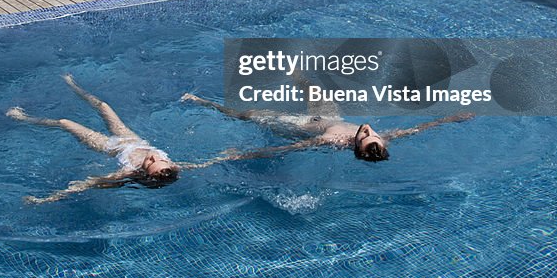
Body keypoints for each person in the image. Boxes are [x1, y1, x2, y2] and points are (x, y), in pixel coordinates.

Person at [7, 74, 187, 204]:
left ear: (144, 172)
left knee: (65, 122)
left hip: (108, 145)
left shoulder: (128, 172)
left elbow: (87, 184)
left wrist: (46, 199)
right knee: (103, 105)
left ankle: (22, 118)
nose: (155, 156)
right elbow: (200, 164)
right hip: (130, 137)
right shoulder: (171, 168)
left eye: (150, 162)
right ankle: (72, 84)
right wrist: (217, 157)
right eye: (161, 159)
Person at [181, 88, 474, 163]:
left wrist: (243, 155)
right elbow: (418, 129)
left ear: (355, 145)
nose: (370, 130)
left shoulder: (332, 142)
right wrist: (451, 118)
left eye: (366, 136)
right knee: (313, 88)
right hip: (327, 115)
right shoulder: (378, 139)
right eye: (374, 136)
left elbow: (290, 148)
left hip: (297, 125)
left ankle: (202, 102)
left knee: (245, 114)